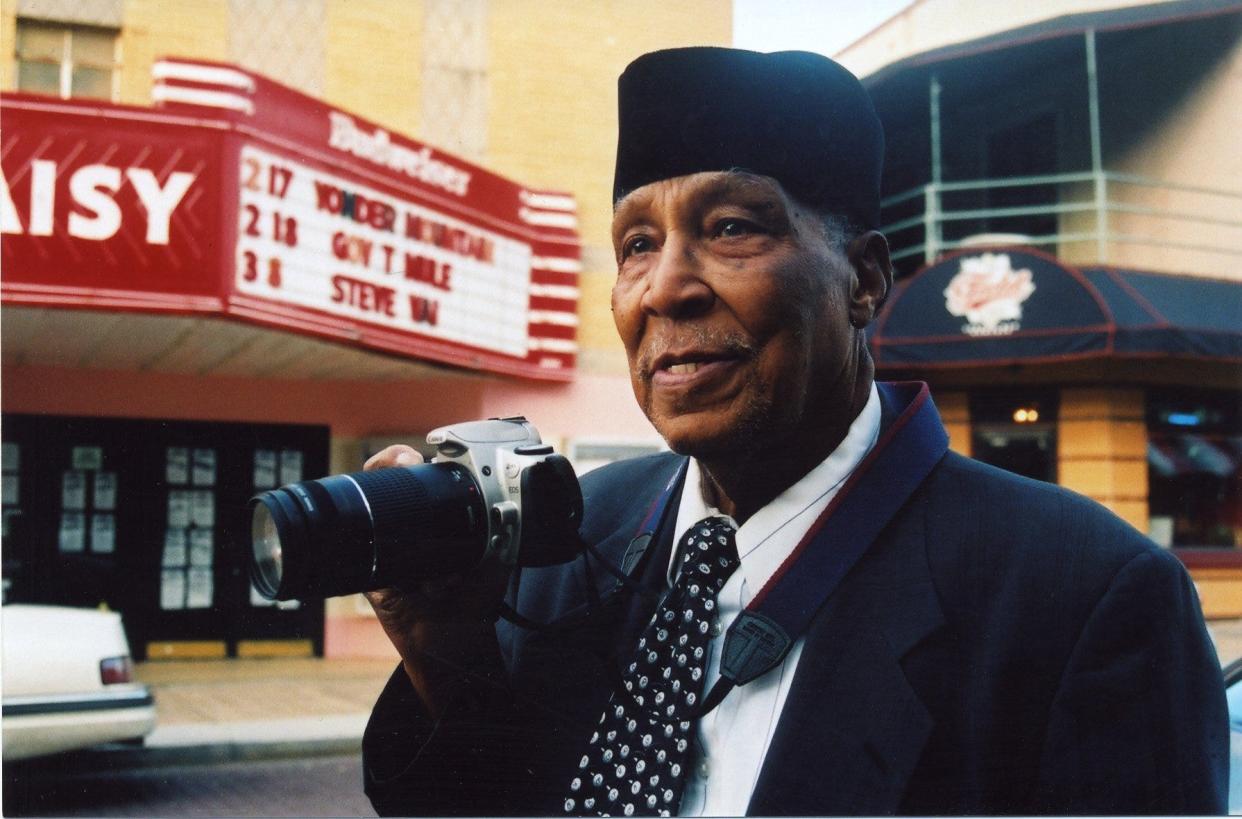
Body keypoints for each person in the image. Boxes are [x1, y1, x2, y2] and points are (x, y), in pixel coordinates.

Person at [360, 47, 1227, 816]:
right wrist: (449, 661)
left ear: (863, 279)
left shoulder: (1086, 600)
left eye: (731, 227)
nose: (665, 287)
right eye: (634, 244)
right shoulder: (568, 534)